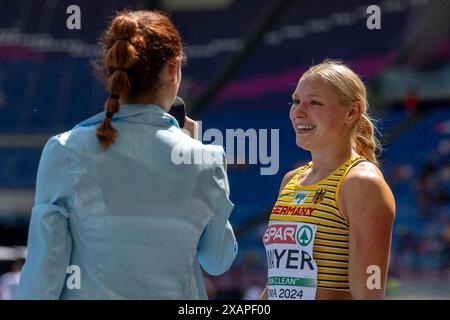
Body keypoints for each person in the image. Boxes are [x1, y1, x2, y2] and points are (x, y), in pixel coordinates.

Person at [17, 10, 237, 299]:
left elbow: (44, 273)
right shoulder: (206, 159)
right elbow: (218, 260)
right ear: (173, 70)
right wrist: (196, 155)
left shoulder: (65, 151)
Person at [261, 60, 395, 300]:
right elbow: (277, 285)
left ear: (351, 111)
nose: (298, 112)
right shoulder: (291, 180)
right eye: (295, 101)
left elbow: (369, 294)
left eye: (314, 103)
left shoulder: (361, 183)